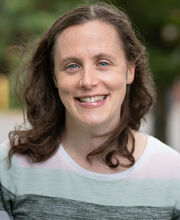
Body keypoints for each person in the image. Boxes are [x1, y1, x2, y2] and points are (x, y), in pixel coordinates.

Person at [0, 3, 180, 220]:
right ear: (54, 77)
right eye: (72, 66)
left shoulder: (172, 174)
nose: (87, 81)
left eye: (103, 63)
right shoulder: (10, 166)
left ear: (129, 70)